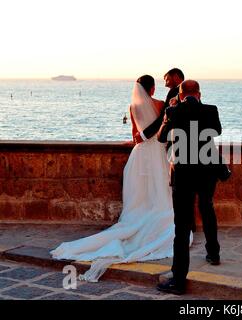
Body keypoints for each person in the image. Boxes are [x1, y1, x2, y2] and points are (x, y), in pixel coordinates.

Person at [50, 75, 191, 282]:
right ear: (151, 89)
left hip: (140, 153)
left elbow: (136, 135)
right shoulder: (160, 104)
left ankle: (137, 221)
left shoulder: (132, 107)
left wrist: (136, 140)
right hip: (158, 152)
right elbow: (162, 129)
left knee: (140, 194)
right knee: (161, 189)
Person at [135, 80, 222, 294]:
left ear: (181, 95)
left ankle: (179, 280)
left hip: (183, 174)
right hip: (206, 171)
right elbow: (217, 131)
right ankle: (213, 253)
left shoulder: (174, 110)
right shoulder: (211, 110)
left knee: (181, 227)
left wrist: (169, 115)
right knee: (207, 208)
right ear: (199, 94)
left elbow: (161, 137)